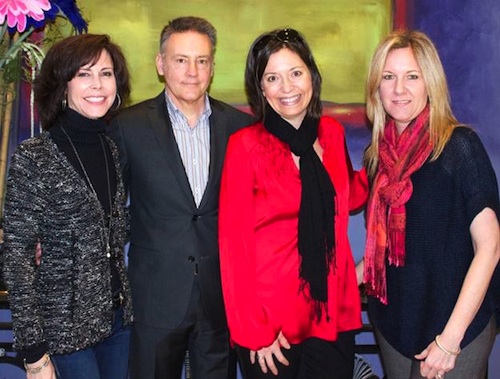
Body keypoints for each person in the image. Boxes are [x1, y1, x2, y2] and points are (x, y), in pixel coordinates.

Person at [218, 28, 369, 379]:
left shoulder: (331, 133)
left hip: (331, 312)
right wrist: (256, 333)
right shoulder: (245, 146)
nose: (287, 88)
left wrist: (389, 164)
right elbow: (233, 247)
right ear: (260, 88)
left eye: (295, 73)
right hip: (273, 326)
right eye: (273, 77)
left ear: (312, 77)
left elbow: (348, 194)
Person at [108, 16, 253, 379]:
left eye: (202, 60)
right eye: (181, 60)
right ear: (161, 64)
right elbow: (106, 208)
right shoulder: (128, 126)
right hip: (154, 299)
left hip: (220, 299)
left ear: (213, 67)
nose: (192, 71)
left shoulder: (241, 128)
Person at [357, 29, 500, 379]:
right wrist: (341, 281)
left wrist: (450, 340)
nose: (399, 89)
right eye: (388, 77)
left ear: (430, 83)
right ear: (377, 87)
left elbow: (491, 247)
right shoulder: (379, 159)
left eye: (412, 77)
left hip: (457, 328)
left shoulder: (460, 147)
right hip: (395, 325)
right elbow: (385, 248)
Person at [2, 34, 133, 379]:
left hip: (118, 323)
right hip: (64, 335)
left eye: (106, 74)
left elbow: (111, 230)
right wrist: (34, 356)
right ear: (63, 86)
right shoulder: (34, 157)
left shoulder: (111, 149)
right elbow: (17, 260)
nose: (98, 85)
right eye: (84, 74)